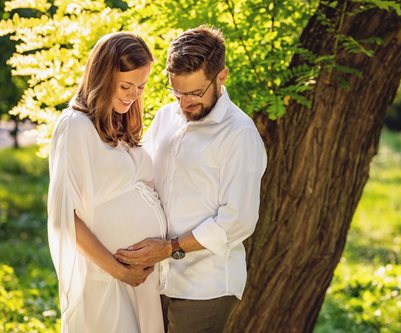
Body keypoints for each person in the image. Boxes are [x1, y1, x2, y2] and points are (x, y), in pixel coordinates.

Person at [115, 26, 267, 332]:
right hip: (154, 278)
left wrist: (169, 248)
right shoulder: (165, 117)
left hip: (206, 286)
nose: (185, 103)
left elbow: (237, 220)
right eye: (178, 91)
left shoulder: (239, 134)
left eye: (196, 93)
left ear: (221, 76)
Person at [47, 32, 166, 333]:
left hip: (139, 281)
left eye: (141, 87)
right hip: (105, 278)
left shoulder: (120, 123)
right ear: (103, 77)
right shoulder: (75, 127)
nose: (133, 95)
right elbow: (65, 219)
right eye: (126, 86)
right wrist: (119, 271)